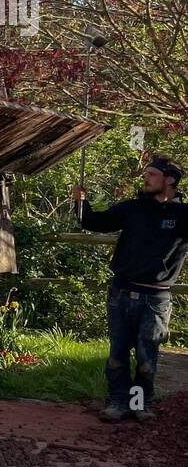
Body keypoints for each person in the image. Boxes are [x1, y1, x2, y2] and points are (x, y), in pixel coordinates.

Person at [73, 156, 188, 422]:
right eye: (146, 173)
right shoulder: (132, 208)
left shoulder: (183, 215)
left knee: (147, 359)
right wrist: (80, 201)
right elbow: (93, 222)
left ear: (169, 179)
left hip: (156, 297)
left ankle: (140, 403)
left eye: (152, 174)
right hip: (121, 293)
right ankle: (118, 402)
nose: (145, 178)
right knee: (117, 355)